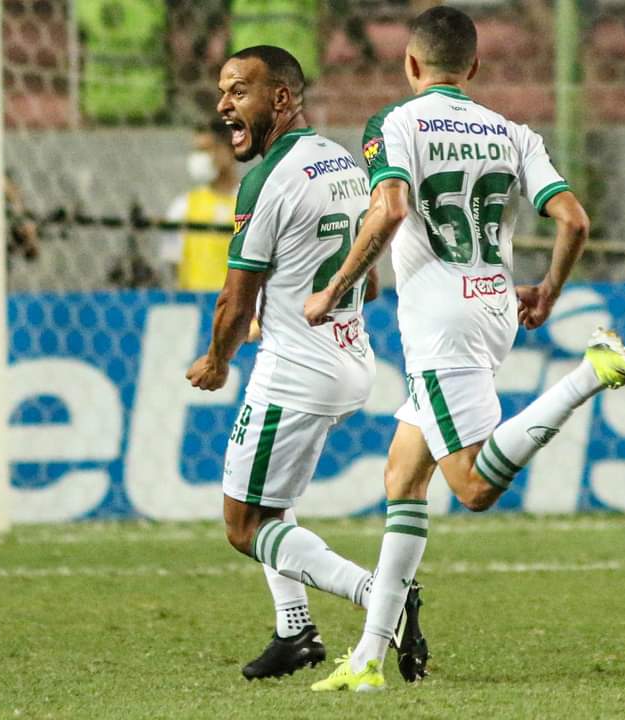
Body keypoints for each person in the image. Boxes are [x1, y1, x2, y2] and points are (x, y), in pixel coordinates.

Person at [304, 6, 625, 692]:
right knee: (404, 478)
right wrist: (549, 290)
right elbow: (574, 219)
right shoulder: (512, 132)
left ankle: (590, 372)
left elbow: (391, 209)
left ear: (410, 64)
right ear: (472, 68)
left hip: (438, 318)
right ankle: (371, 658)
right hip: (493, 303)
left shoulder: (394, 123)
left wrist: (336, 288)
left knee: (468, 486)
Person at [185, 45, 428, 683]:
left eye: (239, 91)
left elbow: (233, 301)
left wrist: (215, 360)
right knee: (274, 500)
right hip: (350, 356)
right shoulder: (342, 163)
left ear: (282, 99)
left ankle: (384, 597)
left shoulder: (268, 181)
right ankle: (296, 631)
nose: (223, 105)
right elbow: (367, 283)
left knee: (242, 525)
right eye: (222, 91)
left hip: (296, 371)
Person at [162, 120, 240, 291]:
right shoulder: (183, 206)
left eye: (207, 150)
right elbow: (173, 263)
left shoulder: (253, 204)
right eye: (196, 150)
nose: (199, 158)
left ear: (231, 150)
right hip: (195, 303)